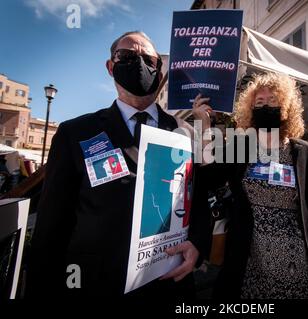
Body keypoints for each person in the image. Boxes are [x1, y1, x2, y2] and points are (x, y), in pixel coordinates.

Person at [26, 31, 209, 297]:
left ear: (159, 72)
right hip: (95, 285)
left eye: (148, 59)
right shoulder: (76, 133)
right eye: (127, 56)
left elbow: (199, 199)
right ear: (111, 67)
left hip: (169, 284)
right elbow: (52, 223)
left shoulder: (186, 132)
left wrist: (197, 245)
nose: (139, 63)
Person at [193, 72, 308, 299]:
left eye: (273, 100)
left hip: (301, 272)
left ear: (286, 107)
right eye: (260, 102)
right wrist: (203, 125)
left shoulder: (304, 152)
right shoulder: (241, 146)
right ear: (251, 109)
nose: (266, 106)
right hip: (249, 270)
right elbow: (208, 175)